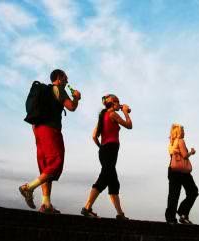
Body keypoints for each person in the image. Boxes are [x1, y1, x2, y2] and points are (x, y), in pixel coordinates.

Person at [19, 69, 81, 213]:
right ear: (59, 78)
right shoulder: (59, 89)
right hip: (51, 129)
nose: (67, 80)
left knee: (46, 166)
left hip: (37, 128)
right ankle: (28, 188)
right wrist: (76, 98)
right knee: (56, 161)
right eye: (65, 77)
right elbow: (71, 107)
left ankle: (46, 204)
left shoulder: (45, 91)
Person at [81, 94, 132, 220]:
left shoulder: (102, 116)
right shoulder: (113, 114)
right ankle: (87, 207)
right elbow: (129, 125)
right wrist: (126, 112)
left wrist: (101, 147)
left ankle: (120, 214)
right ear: (113, 103)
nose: (120, 103)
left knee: (113, 182)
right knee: (104, 178)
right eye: (118, 101)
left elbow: (94, 136)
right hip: (110, 150)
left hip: (104, 150)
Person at [165, 124, 199, 224]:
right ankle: (183, 212)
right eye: (183, 131)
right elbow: (184, 155)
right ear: (179, 132)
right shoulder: (180, 141)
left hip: (172, 170)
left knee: (173, 195)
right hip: (182, 172)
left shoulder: (171, 142)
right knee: (193, 192)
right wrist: (192, 152)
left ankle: (170, 218)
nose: (184, 133)